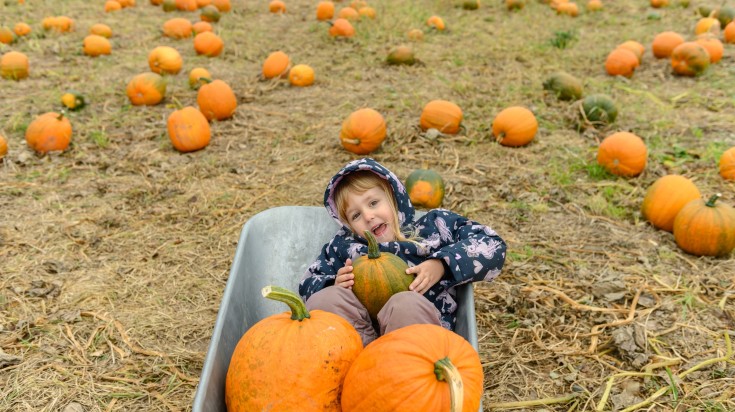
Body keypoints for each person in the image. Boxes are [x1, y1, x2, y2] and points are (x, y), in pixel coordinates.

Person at [299, 158, 506, 346]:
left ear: (393, 196)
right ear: (347, 225)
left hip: (416, 339)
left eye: (373, 203)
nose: (368, 216)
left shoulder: (434, 228)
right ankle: (361, 362)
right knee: (324, 300)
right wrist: (334, 283)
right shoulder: (343, 246)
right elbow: (308, 281)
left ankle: (401, 368)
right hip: (360, 341)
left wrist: (441, 264)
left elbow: (491, 244)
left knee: (405, 303)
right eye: (355, 215)